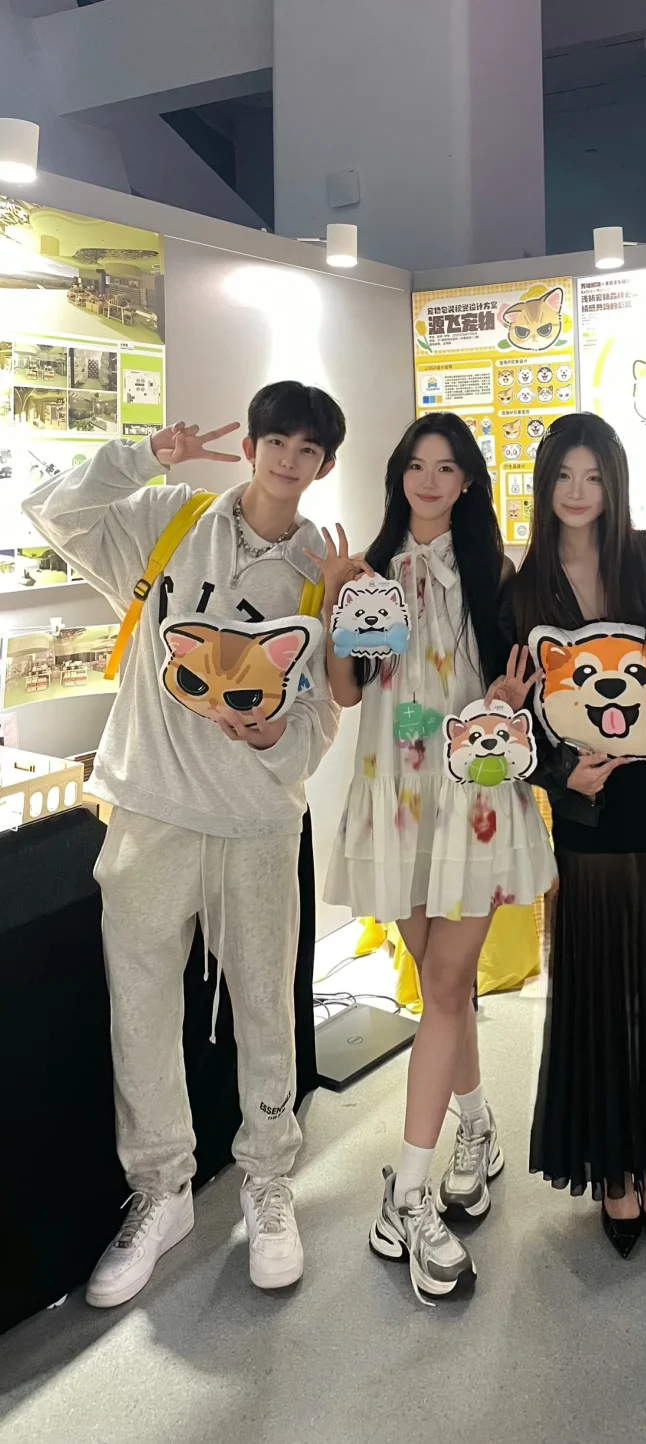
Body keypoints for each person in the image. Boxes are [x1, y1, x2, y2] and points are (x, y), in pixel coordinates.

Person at [22, 381, 346, 1306]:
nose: (288, 461)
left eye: (308, 449)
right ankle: (161, 1190)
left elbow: (327, 708)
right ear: (250, 446)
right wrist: (142, 456)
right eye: (276, 441)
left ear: (325, 465)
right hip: (151, 810)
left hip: (257, 822)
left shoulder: (324, 570)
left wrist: (278, 736)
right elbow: (50, 510)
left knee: (265, 1009)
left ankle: (269, 1179)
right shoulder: (169, 521)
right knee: (141, 1010)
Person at [317, 413, 555, 1305]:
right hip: (396, 798)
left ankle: (407, 1196)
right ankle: (477, 1126)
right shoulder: (369, 574)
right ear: (398, 476)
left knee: (448, 984)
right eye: (416, 465)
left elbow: (502, 690)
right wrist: (335, 604)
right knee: (438, 983)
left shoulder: (495, 573)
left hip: (472, 798)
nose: (429, 480)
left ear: (467, 483)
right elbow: (347, 695)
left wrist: (504, 695)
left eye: (446, 468)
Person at [498, 412, 646, 1258]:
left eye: (594, 476)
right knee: (600, 987)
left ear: (615, 482)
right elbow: (506, 712)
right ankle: (613, 1164)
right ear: (543, 484)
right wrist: (558, 773)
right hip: (589, 809)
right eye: (564, 476)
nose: (578, 493)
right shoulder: (522, 589)